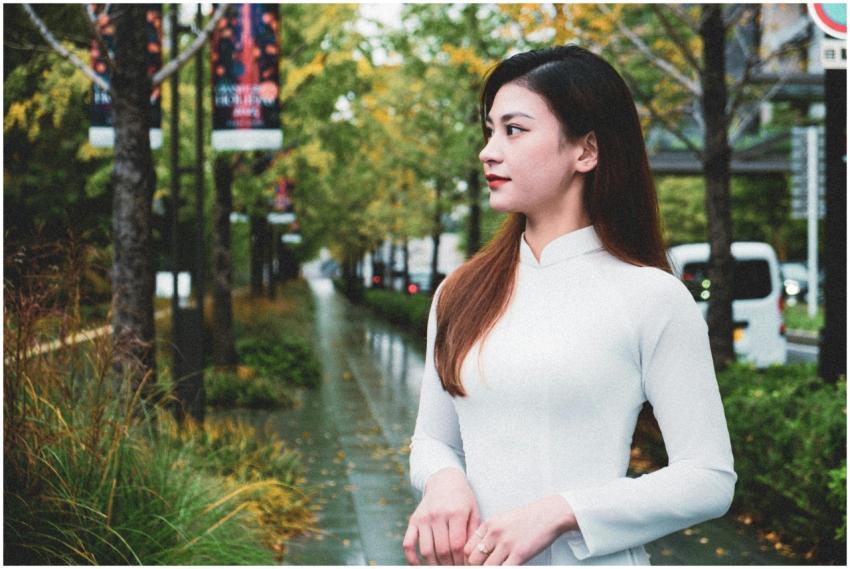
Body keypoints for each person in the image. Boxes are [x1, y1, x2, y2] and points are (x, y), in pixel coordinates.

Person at [403, 45, 736, 566]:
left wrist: (563, 511)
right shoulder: (461, 292)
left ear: (586, 151)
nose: (489, 150)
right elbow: (432, 439)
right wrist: (444, 481)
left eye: (514, 130)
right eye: (489, 130)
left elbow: (709, 478)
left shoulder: (651, 296)